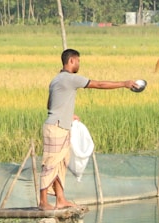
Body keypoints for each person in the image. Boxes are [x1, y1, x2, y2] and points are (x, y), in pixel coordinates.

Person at [38, 48, 139, 210]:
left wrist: (68, 114)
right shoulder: (70, 78)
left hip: (61, 125)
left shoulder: (56, 79)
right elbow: (98, 84)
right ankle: (43, 202)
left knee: (61, 163)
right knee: (50, 163)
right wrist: (124, 84)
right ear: (71, 61)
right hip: (56, 127)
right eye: (78, 61)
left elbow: (50, 105)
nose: (79, 64)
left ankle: (60, 199)